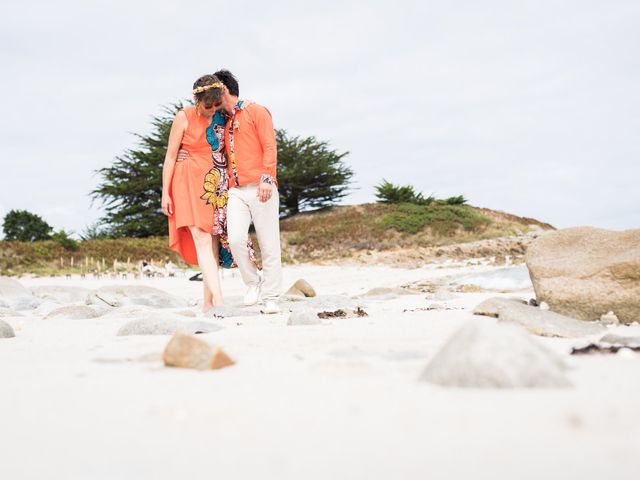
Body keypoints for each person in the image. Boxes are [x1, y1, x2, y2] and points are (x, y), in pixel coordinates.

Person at [162, 74, 255, 312]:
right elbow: (171, 156)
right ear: (196, 99)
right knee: (202, 240)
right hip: (186, 182)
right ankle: (221, 302)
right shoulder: (183, 117)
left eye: (215, 105)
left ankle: (208, 303)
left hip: (214, 184)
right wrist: (165, 193)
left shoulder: (220, 117)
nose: (211, 110)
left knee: (212, 245)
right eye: (207, 106)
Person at [214, 69, 283, 314]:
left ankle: (272, 296)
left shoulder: (256, 110)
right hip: (236, 190)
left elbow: (269, 146)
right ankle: (253, 282)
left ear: (224, 89)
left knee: (268, 244)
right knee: (234, 239)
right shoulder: (223, 119)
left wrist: (267, 178)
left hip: (261, 186)